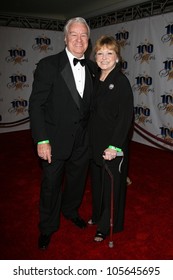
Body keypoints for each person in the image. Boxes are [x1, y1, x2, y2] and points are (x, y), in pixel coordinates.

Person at [29, 17, 96, 249]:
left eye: (83, 35)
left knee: (77, 182)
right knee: (51, 185)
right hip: (54, 139)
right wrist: (42, 139)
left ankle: (70, 211)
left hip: (82, 140)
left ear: (88, 40)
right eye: (74, 35)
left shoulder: (94, 68)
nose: (79, 40)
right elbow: (36, 105)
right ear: (65, 38)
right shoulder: (48, 65)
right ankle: (47, 227)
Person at [88, 35, 134, 242]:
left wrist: (114, 146)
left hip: (113, 144)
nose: (104, 57)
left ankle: (106, 226)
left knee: (111, 186)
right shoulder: (96, 79)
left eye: (109, 53)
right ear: (95, 56)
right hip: (95, 141)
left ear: (117, 57)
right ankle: (98, 215)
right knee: (98, 183)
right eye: (100, 53)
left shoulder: (121, 82)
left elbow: (125, 118)